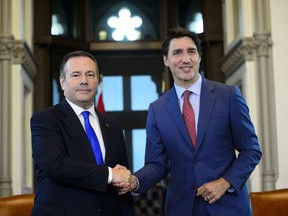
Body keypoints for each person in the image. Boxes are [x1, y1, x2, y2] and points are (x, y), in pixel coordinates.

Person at [124, 27, 262, 216]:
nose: (186, 59)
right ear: (166, 60)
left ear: (199, 56)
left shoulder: (228, 96)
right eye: (177, 52)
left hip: (228, 207)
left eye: (191, 51)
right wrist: (135, 181)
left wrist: (225, 182)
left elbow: (251, 150)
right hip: (181, 208)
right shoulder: (157, 109)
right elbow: (157, 164)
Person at [30, 51, 134, 216]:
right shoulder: (45, 120)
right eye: (76, 75)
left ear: (97, 81)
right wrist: (110, 174)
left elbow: (122, 179)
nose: (84, 81)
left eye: (90, 74)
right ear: (62, 82)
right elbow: (56, 166)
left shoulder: (113, 125)